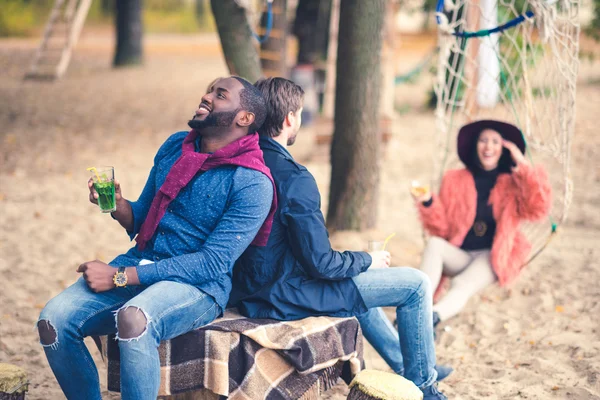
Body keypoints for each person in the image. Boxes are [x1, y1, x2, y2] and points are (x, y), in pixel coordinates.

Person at [37, 76, 276, 400]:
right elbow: (144, 217)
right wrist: (119, 206)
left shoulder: (252, 182)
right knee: (53, 321)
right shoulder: (176, 147)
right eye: (208, 90)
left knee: (134, 319)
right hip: (143, 261)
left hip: (198, 286)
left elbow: (212, 262)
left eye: (219, 95)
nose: (206, 97)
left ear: (244, 118)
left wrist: (119, 276)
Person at [229, 77, 449, 400]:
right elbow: (321, 264)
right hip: (281, 295)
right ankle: (425, 387)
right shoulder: (295, 178)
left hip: (248, 288)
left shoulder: (239, 162)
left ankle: (406, 366)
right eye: (300, 113)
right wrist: (367, 260)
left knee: (354, 286)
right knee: (416, 285)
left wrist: (355, 263)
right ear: (290, 118)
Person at [413, 120, 552, 326]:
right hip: (461, 253)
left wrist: (522, 164)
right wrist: (429, 203)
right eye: (483, 140)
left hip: (493, 257)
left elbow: (538, 207)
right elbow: (442, 228)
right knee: (434, 244)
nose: (488, 146)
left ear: (504, 148)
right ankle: (416, 308)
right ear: (475, 145)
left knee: (461, 284)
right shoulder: (454, 179)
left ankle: (431, 317)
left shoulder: (513, 183)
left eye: (495, 142)